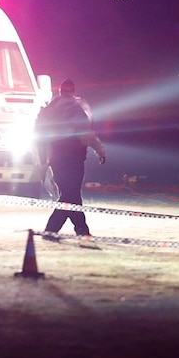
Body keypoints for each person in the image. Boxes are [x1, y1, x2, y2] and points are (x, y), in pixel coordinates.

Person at [35, 79, 106, 241]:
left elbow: (38, 135)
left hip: (56, 157)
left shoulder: (47, 110)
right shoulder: (76, 108)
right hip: (74, 157)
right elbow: (86, 133)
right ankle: (54, 230)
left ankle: (80, 230)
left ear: (59, 91)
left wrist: (42, 161)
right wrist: (100, 150)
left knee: (70, 195)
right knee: (70, 195)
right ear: (73, 91)